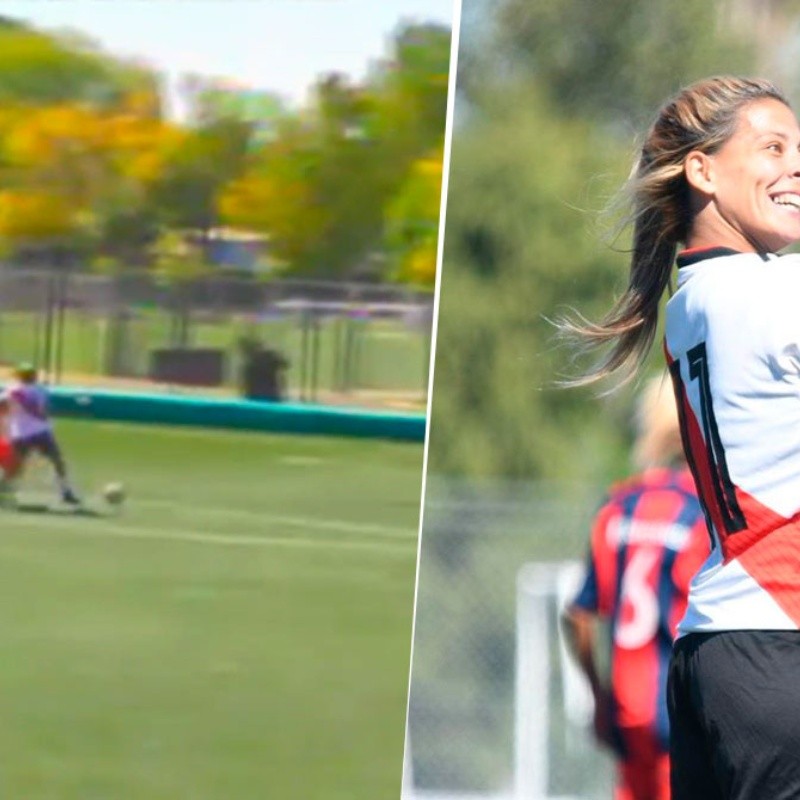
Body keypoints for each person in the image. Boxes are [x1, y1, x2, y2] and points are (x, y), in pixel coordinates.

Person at [561, 76, 800, 798]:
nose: (796, 167)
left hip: (712, 654)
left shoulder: (695, 299)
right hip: (779, 645)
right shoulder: (768, 294)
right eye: (773, 147)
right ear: (701, 170)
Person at [563, 376, 709, 800]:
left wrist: (598, 692)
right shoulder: (704, 511)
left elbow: (578, 615)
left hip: (628, 716)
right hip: (684, 722)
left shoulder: (618, 508)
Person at [0, 363, 80, 505]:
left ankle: (66, 491)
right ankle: (3, 489)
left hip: (35, 431)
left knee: (56, 460)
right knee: (18, 466)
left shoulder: (35, 390)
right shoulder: (16, 389)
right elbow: (16, 404)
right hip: (26, 433)